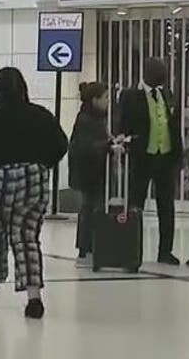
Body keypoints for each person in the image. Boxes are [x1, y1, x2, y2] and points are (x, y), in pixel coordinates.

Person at [0, 67, 67, 318]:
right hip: (32, 180)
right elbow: (61, 144)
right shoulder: (40, 114)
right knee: (27, 238)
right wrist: (42, 165)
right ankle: (33, 297)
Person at [119, 57, 183, 265]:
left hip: (165, 157)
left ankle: (166, 251)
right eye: (160, 71)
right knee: (135, 205)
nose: (164, 75)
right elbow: (122, 124)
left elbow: (174, 127)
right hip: (141, 157)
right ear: (147, 72)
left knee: (167, 206)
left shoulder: (167, 94)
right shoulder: (129, 95)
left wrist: (178, 156)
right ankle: (130, 250)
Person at [69, 81, 112, 268]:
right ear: (95, 100)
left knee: (93, 209)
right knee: (90, 209)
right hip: (89, 172)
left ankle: (92, 248)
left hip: (96, 170)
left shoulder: (97, 118)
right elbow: (87, 146)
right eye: (105, 97)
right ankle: (85, 250)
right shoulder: (86, 119)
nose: (108, 101)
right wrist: (108, 145)